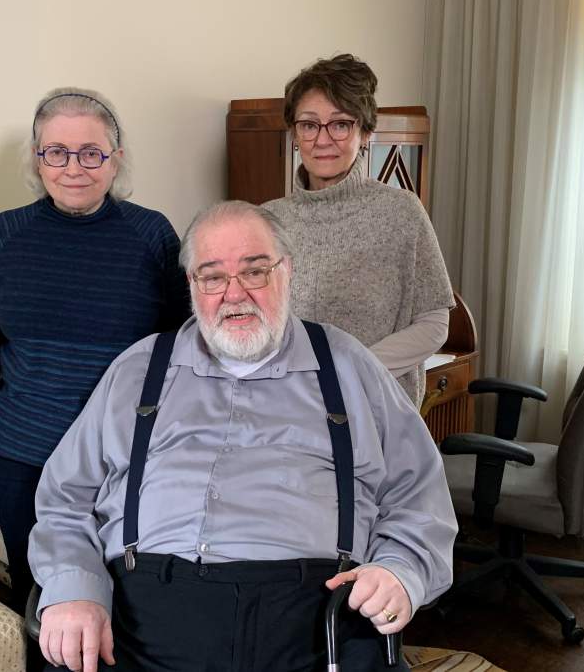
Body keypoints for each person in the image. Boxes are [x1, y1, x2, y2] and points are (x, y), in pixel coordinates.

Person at [29, 201, 456, 671]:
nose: (234, 294)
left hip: (316, 617)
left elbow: (420, 498)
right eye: (212, 276)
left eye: (254, 272)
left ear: (286, 272)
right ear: (191, 285)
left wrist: (401, 570)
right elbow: (64, 500)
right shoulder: (138, 369)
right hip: (146, 613)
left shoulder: (348, 366)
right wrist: (74, 588)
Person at [0, 87, 190, 633]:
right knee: (42, 605)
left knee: (130, 606)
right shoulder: (4, 237)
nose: (73, 167)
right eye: (56, 152)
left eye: (91, 152)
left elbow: (183, 350)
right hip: (24, 460)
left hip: (129, 461)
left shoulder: (151, 236)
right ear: (38, 160)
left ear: (116, 158)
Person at [263, 53, 455, 406]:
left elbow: (433, 324)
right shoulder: (267, 222)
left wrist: (351, 370)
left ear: (365, 131)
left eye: (340, 124)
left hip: (378, 412)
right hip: (290, 410)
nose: (322, 139)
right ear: (294, 133)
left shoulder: (400, 211)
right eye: (309, 124)